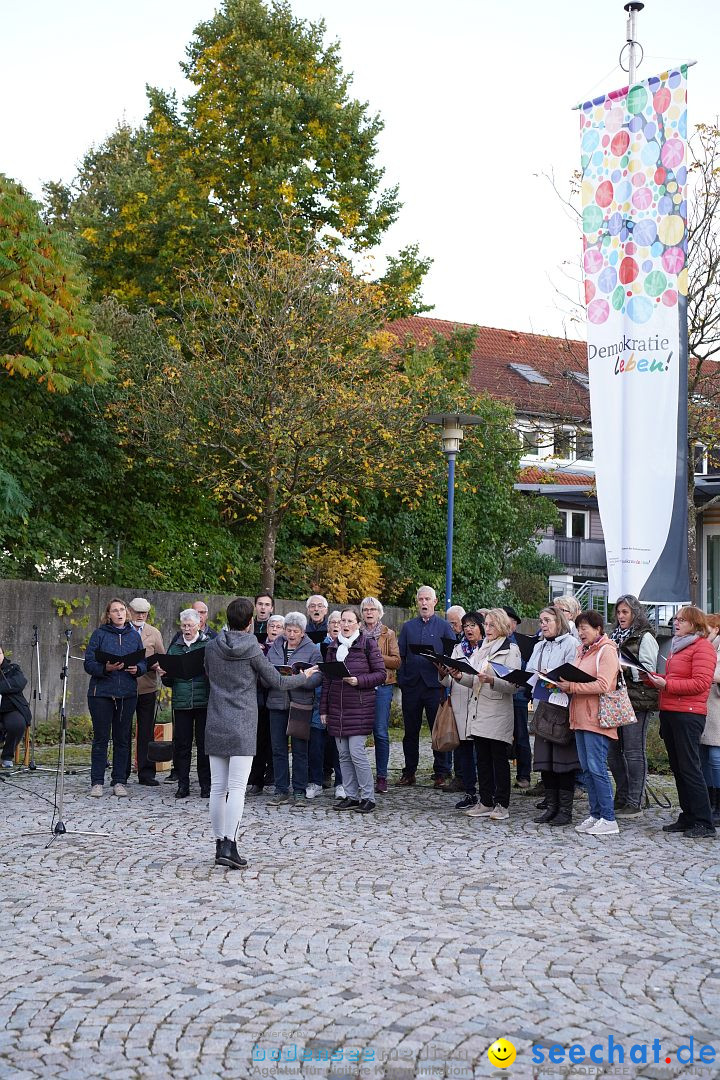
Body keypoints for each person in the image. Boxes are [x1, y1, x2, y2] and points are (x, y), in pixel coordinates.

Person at [204, 596, 318, 869]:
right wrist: (304, 676)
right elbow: (277, 680)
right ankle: (230, 845)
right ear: (250, 622)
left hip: (216, 719)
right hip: (242, 722)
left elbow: (208, 673)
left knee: (218, 788)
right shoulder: (253, 649)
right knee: (237, 788)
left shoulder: (211, 647)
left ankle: (220, 842)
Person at [645, 606, 717, 838]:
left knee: (690, 768)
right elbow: (678, 678)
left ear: (694, 625)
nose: (676, 623)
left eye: (682, 620)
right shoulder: (679, 647)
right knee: (678, 768)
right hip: (671, 711)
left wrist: (667, 685)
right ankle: (688, 816)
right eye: (676, 619)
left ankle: (704, 822)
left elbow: (700, 683)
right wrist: (655, 679)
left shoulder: (702, 647)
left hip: (688, 714)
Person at [442, 609, 521, 822]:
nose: (487, 629)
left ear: (502, 626)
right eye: (486, 624)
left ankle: (502, 803)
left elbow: (514, 685)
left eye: (492, 625)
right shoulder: (482, 649)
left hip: (496, 711)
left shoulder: (510, 649)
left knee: (498, 760)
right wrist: (459, 677)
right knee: (483, 760)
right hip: (478, 709)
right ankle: (485, 801)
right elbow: (474, 679)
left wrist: (492, 680)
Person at [556, 610, 621, 836]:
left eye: (585, 628)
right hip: (580, 716)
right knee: (586, 769)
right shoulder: (581, 650)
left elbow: (604, 685)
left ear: (598, 629)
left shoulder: (607, 650)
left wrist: (572, 687)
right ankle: (595, 814)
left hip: (597, 718)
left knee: (597, 768)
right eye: (578, 628)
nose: (580, 632)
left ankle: (609, 817)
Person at [320, 607, 386, 813]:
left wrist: (358, 681)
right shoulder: (333, 647)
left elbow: (381, 674)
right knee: (343, 755)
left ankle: (368, 797)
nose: (345, 625)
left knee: (357, 753)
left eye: (350, 621)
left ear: (358, 624)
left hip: (359, 707)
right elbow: (328, 680)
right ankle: (351, 796)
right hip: (337, 709)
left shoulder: (368, 644)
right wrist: (324, 710)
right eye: (342, 621)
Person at [84, 598, 145, 798]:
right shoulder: (99, 634)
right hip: (101, 693)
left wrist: (138, 669)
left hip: (127, 693)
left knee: (122, 739)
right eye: (115, 610)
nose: (119, 613)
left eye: (122, 610)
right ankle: (97, 782)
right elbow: (89, 663)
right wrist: (105, 668)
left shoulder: (134, 636)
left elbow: (143, 661)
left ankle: (119, 780)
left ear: (126, 613)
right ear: (108, 614)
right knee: (101, 738)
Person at [397, 586, 455, 788]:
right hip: (412, 685)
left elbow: (451, 656)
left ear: (435, 601)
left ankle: (441, 771)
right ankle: (409, 771)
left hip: (434, 686)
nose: (423, 603)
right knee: (410, 731)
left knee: (437, 729)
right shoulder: (408, 627)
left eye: (427, 599)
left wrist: (443, 669)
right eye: (420, 599)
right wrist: (402, 680)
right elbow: (401, 657)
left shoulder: (444, 627)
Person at [527, 606, 579, 826]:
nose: (543, 624)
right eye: (540, 621)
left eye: (547, 620)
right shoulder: (539, 645)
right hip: (542, 706)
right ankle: (550, 807)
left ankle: (565, 810)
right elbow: (530, 673)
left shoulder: (571, 644)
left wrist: (549, 679)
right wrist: (537, 679)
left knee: (562, 762)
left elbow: (570, 673)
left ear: (559, 621)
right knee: (545, 760)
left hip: (562, 707)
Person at [608, 593, 659, 816]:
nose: (620, 616)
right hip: (615, 699)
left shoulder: (645, 637)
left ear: (635, 613)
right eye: (618, 612)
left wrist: (623, 668)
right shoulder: (614, 636)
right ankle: (622, 795)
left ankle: (634, 801)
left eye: (625, 612)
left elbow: (648, 671)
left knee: (633, 752)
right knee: (612, 753)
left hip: (638, 700)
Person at [265, 612, 323, 805]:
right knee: (278, 748)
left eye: (295, 631)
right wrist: (281, 677)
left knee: (300, 749)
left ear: (303, 632)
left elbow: (317, 678)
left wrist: (298, 678)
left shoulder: (313, 650)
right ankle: (281, 789)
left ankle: (299, 789)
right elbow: (265, 672)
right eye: (288, 630)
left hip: (300, 704)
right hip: (276, 702)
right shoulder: (275, 647)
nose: (291, 634)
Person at [159, 609, 211, 800]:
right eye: (184, 625)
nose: (187, 629)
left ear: (199, 625)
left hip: (203, 701)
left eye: (190, 625)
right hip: (181, 703)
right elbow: (169, 682)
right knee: (182, 745)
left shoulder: (208, 644)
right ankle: (183, 784)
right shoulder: (175, 648)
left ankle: (206, 785)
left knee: (204, 745)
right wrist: (165, 674)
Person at [360, 596, 401, 794]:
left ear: (379, 612)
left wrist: (374, 654)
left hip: (383, 686)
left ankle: (382, 776)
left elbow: (396, 661)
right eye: (366, 609)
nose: (369, 613)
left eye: (372, 609)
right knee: (357, 733)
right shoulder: (356, 632)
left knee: (381, 732)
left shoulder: (388, 633)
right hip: (359, 686)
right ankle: (359, 777)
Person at [126, 598, 165, 787]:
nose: (140, 616)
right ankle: (122, 772)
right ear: (129, 611)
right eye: (137, 612)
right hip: (124, 688)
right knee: (123, 731)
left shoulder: (153, 633)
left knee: (146, 731)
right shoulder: (123, 630)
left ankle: (146, 773)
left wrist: (159, 666)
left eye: (144, 613)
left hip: (147, 687)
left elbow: (162, 657)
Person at [247, 614, 284, 795]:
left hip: (278, 698)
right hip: (259, 699)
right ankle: (257, 780)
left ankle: (277, 778)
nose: (274, 629)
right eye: (271, 626)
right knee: (259, 741)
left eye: (278, 627)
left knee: (276, 742)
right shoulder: (257, 647)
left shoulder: (285, 647)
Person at [503, 605, 532, 790]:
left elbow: (525, 667)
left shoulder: (521, 643)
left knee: (521, 736)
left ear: (514, 624)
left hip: (518, 695)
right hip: (499, 695)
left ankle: (524, 775)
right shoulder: (494, 641)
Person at [700, 614, 720, 827]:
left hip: (717, 711)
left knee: (716, 758)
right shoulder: (706, 649)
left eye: (706, 629)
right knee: (704, 758)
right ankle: (708, 802)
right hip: (704, 709)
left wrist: (703, 673)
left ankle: (718, 805)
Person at [0, 647, 31, 768]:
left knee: (17, 724)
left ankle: (7, 756)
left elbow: (19, 683)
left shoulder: (13, 668)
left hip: (11, 708)